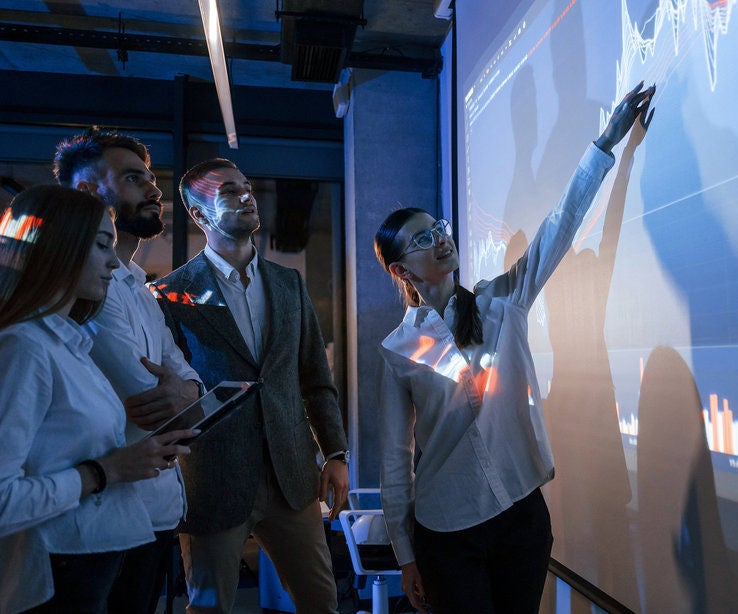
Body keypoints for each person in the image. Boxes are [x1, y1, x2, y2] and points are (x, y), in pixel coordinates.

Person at [374, 82, 655, 612]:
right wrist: (405, 554)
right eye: (422, 239)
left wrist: (606, 145)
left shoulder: (502, 302)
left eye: (438, 227)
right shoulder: (397, 350)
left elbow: (560, 228)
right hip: (447, 527)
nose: (440, 239)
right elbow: (393, 459)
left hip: (521, 513)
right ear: (399, 269)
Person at [150, 159, 350, 613]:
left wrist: (336, 454)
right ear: (200, 215)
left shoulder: (288, 284)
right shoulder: (172, 293)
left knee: (322, 602)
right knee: (209, 606)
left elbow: (315, 379)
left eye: (246, 187)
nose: (246, 196)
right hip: (213, 478)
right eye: (228, 192)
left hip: (292, 477)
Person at [0, 185, 196, 613]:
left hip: (94, 560)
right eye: (102, 245)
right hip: (57, 573)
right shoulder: (24, 347)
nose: (114, 261)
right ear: (59, 247)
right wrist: (102, 472)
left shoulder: (66, 343)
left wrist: (132, 460)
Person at [52, 126, 203, 613]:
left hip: (156, 510)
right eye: (134, 178)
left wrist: (184, 392)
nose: (155, 189)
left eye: (151, 179)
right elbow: (151, 397)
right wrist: (184, 395)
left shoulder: (139, 286)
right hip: (98, 520)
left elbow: (188, 383)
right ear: (87, 192)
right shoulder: (81, 295)